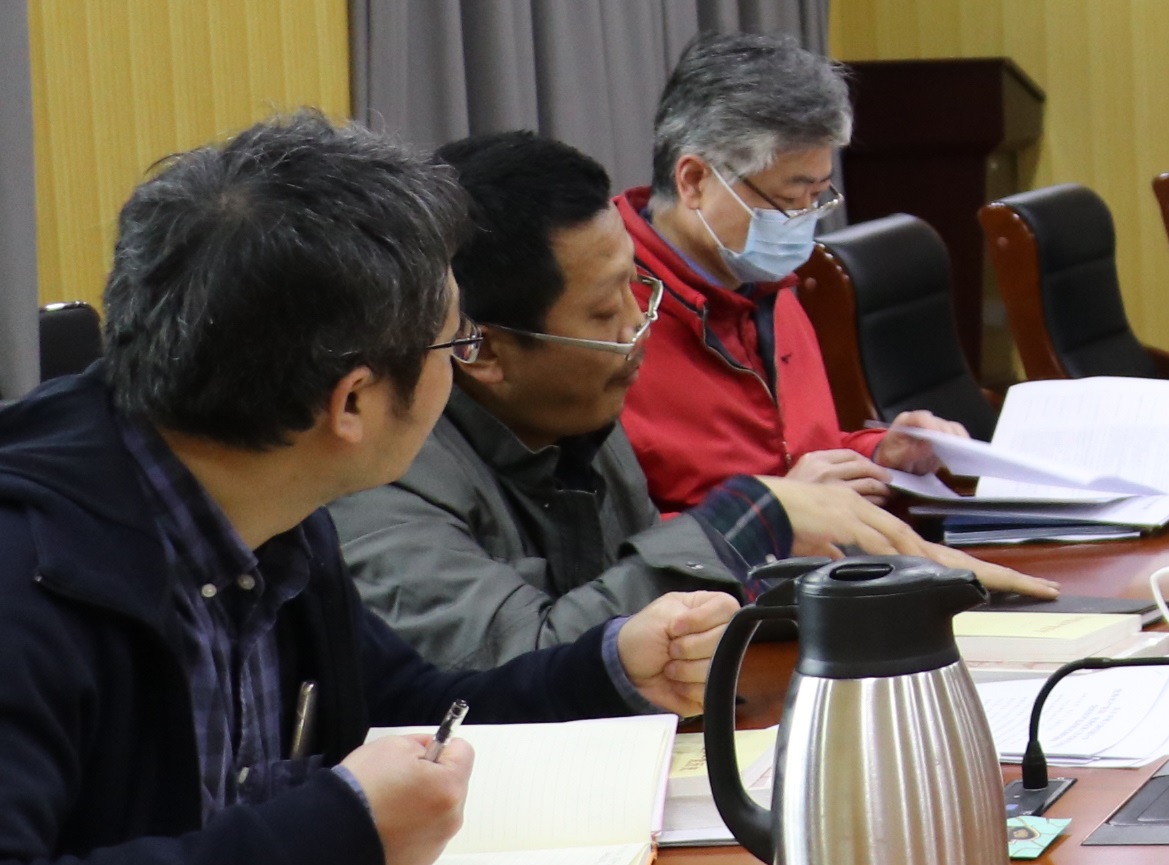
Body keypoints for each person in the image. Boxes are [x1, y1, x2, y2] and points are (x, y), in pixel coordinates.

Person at [0, 115, 738, 865]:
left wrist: (609, 667)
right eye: (452, 347)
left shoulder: (272, 503)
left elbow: (406, 706)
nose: (462, 370)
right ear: (351, 401)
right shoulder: (32, 568)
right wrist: (337, 833)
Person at [331, 133, 1045, 665]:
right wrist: (745, 521)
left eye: (636, 287)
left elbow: (653, 606)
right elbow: (523, 662)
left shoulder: (577, 414)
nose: (638, 328)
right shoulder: (380, 471)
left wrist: (885, 585)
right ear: (480, 349)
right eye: (605, 311)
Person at [622, 32, 949, 514]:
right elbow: (614, 540)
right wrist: (770, 512)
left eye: (817, 196)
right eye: (789, 199)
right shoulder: (608, 314)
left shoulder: (761, 281)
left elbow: (799, 455)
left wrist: (878, 454)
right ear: (693, 180)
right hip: (736, 564)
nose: (801, 222)